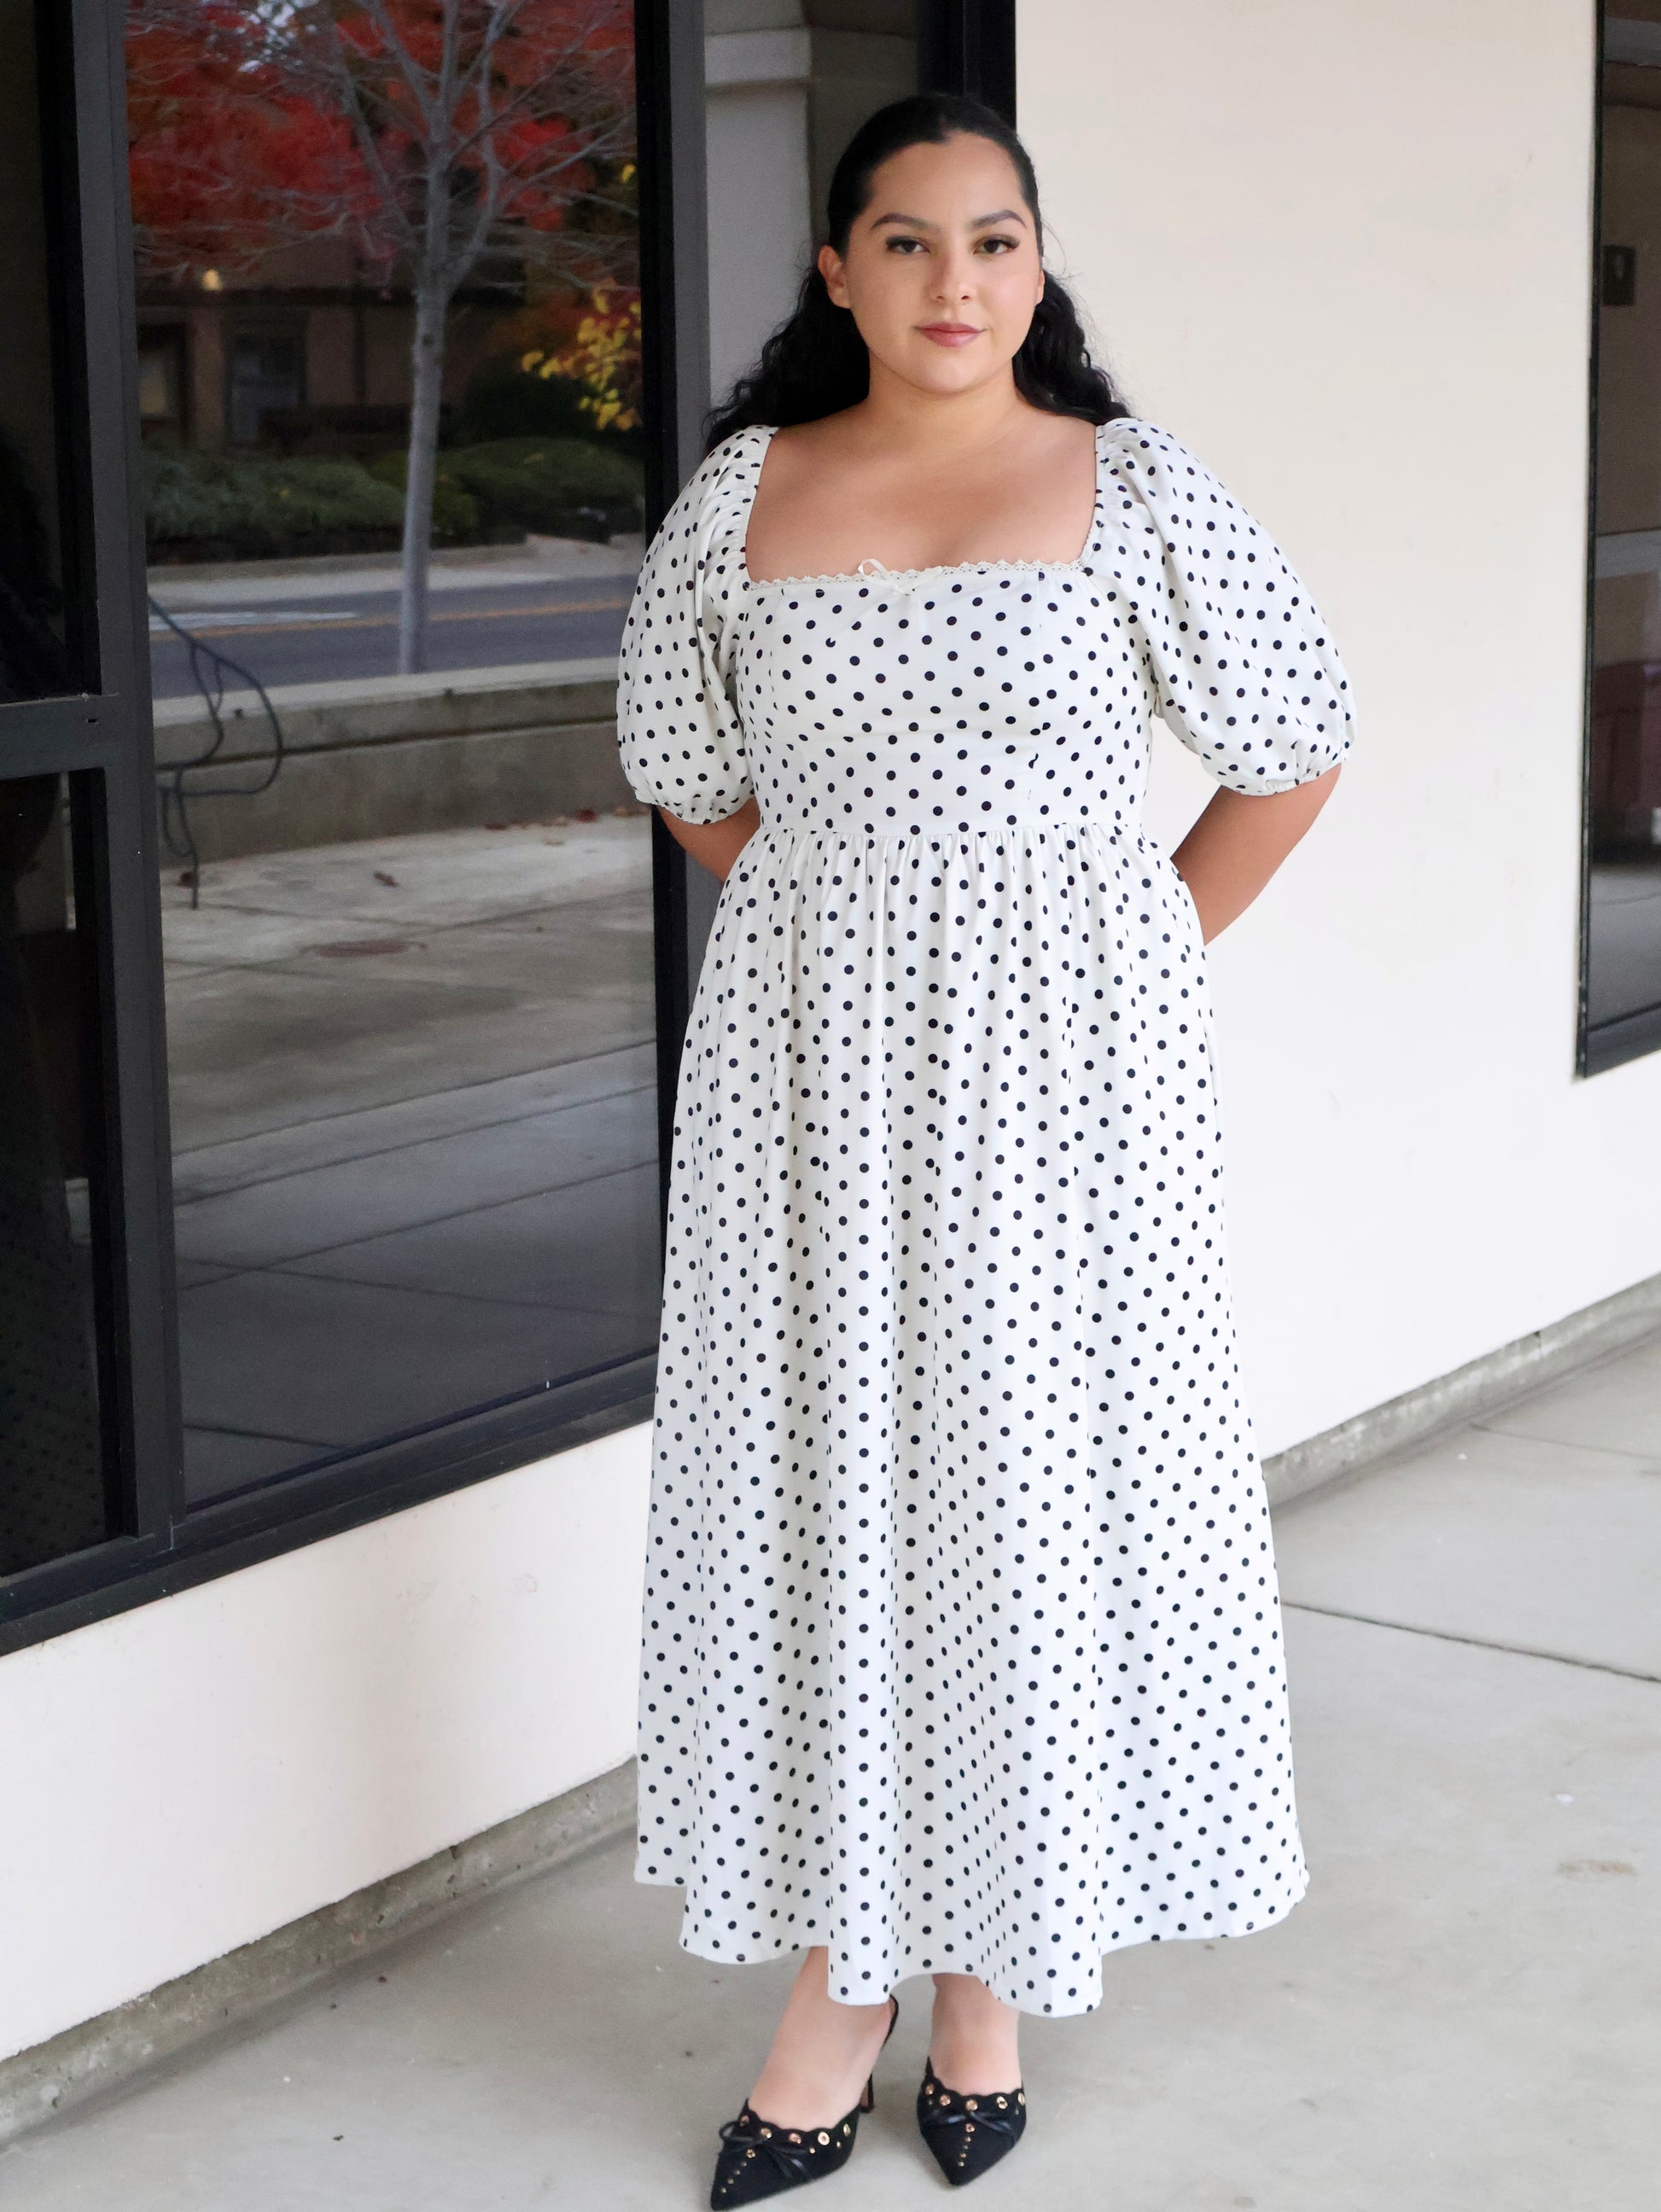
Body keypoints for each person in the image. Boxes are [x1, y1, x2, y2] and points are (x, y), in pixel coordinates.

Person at [616, 91, 1352, 2204]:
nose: (959, 280)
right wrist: (856, 943)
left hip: (1079, 1097)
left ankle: (982, 1981)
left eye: (996, 239)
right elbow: (687, 769)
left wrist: (1117, 956)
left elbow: (1291, 748)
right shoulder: (745, 494)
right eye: (910, 240)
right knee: (838, 1486)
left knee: (1028, 1491)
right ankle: (843, 1976)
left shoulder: (1132, 483)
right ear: (836, 270)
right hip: (808, 1097)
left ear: (1038, 266)